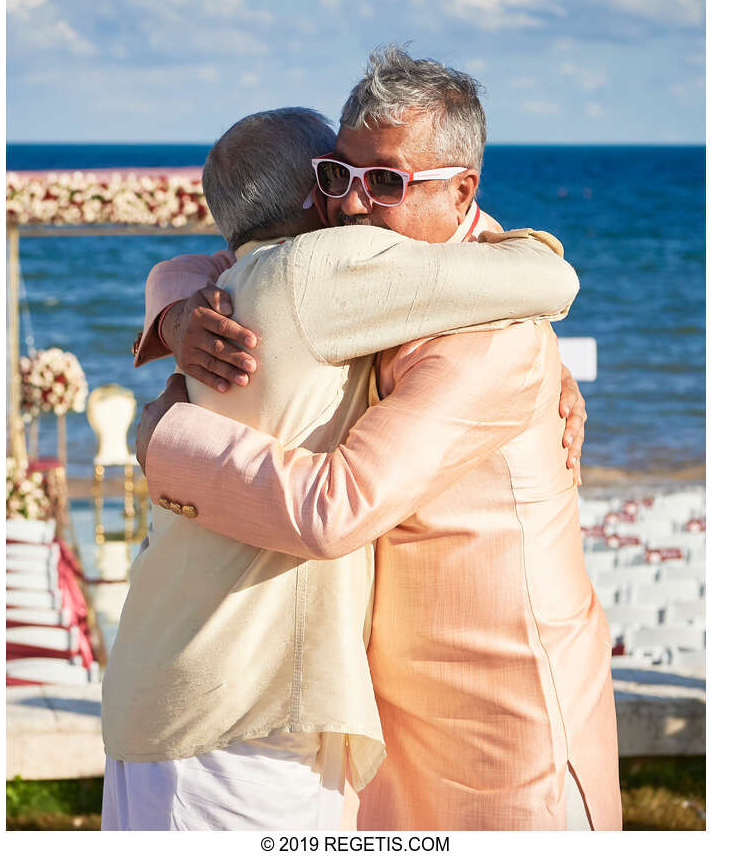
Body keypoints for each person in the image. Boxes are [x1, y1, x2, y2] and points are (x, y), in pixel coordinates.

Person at [102, 103, 579, 831]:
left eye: (375, 180)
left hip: (157, 674)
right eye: (339, 177)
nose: (357, 199)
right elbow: (547, 282)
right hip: (243, 700)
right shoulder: (323, 270)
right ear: (310, 197)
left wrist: (169, 316)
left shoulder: (232, 284)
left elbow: (188, 265)